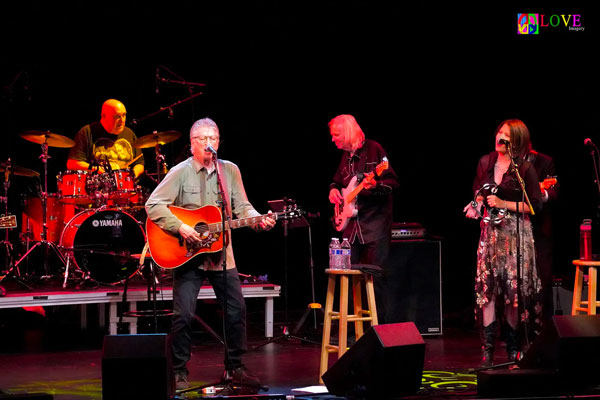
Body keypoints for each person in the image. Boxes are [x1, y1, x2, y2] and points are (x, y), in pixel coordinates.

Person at [145, 117, 276, 391]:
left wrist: (258, 220)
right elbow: (153, 204)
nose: (208, 144)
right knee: (183, 315)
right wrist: (180, 227)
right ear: (192, 144)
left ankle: (235, 367)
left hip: (221, 254)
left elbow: (243, 207)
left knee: (236, 310)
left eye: (213, 139)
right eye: (203, 139)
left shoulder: (230, 171)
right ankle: (179, 371)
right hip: (188, 255)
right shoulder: (180, 171)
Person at [463, 119, 543, 367]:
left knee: (512, 296)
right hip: (490, 235)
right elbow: (479, 192)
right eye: (499, 132)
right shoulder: (485, 162)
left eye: (506, 135)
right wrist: (476, 205)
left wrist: (503, 204)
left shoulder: (525, 168)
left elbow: (534, 205)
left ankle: (511, 350)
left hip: (515, 237)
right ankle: (487, 353)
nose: (500, 136)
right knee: (486, 293)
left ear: (516, 140)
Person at [328, 114, 399, 323]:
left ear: (348, 132)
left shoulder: (374, 150)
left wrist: (374, 185)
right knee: (351, 282)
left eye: (336, 135)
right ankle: (353, 331)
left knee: (376, 282)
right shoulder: (345, 157)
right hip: (352, 229)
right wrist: (333, 191)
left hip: (374, 226)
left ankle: (378, 330)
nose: (333, 140)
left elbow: (393, 183)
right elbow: (336, 181)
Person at [67, 99, 144, 178]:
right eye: (117, 116)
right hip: (97, 186)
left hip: (126, 187)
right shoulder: (87, 132)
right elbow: (72, 163)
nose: (122, 120)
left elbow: (139, 163)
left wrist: (133, 175)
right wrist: (95, 169)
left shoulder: (129, 134)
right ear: (104, 116)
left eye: (124, 115)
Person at [526, 149, 559, 324]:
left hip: (539, 229)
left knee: (544, 277)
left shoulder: (544, 161)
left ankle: (546, 327)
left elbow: (553, 192)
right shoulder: (505, 161)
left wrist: (540, 193)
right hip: (512, 226)